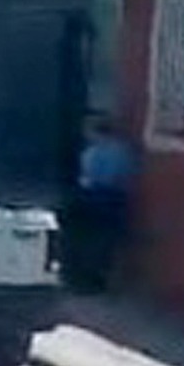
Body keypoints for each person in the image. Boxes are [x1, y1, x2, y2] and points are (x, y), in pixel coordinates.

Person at [69, 115, 135, 291]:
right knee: (108, 241)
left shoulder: (91, 153)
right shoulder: (123, 151)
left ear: (95, 132)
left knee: (88, 239)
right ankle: (103, 278)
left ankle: (86, 280)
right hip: (117, 199)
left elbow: (87, 178)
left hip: (95, 198)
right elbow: (128, 175)